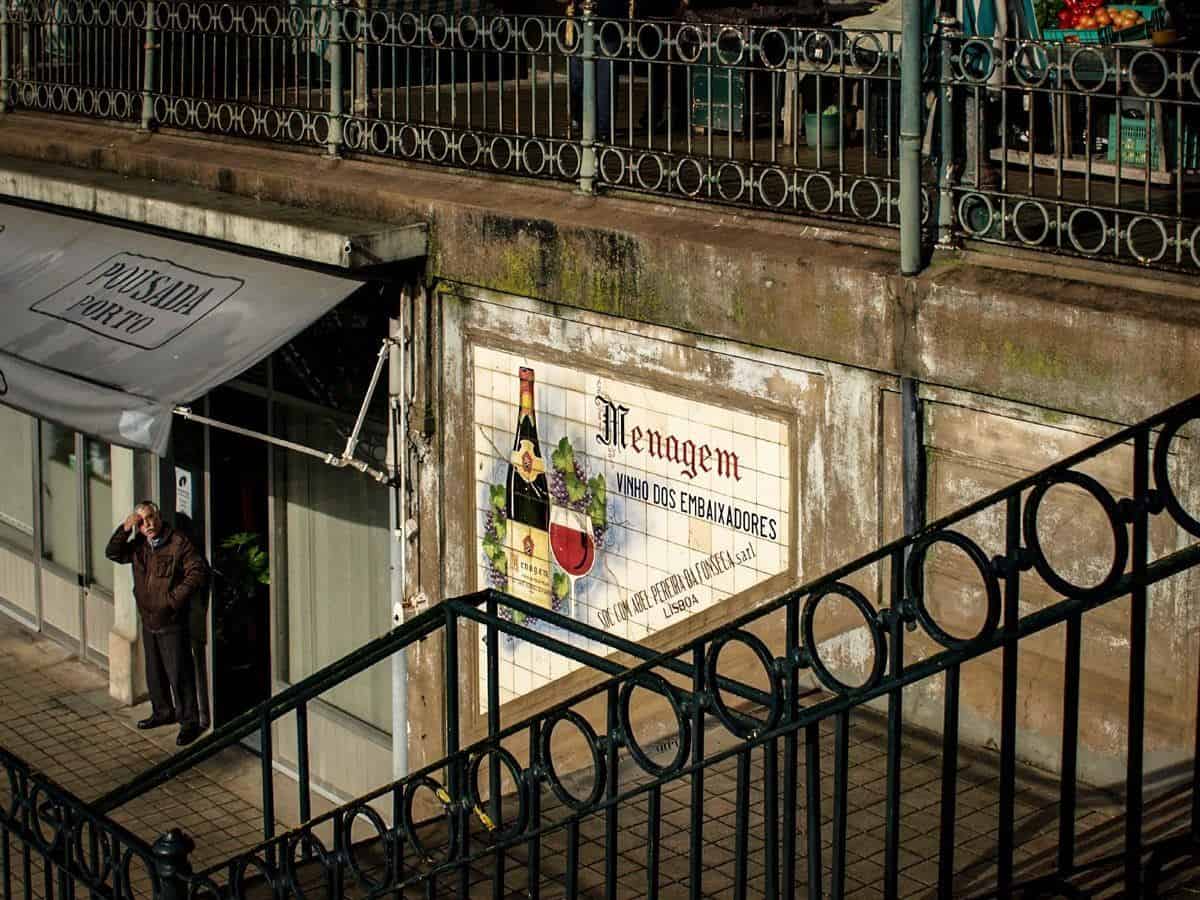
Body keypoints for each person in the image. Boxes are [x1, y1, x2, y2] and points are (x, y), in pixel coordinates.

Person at [106, 500, 207, 747]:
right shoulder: (140, 545)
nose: (147, 524)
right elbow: (113, 553)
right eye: (141, 521)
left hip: (171, 621)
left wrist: (173, 601)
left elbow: (198, 571)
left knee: (178, 673)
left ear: (159, 517)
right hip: (148, 618)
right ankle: (162, 711)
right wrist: (124, 528)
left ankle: (189, 722)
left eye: (150, 518)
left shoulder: (177, 543)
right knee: (155, 672)